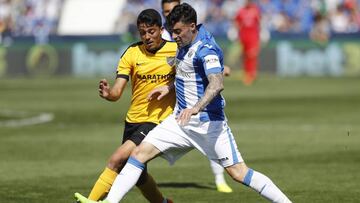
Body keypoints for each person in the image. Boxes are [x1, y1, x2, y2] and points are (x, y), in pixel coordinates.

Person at [75, 3, 292, 203]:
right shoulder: (184, 42)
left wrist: (195, 108)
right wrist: (168, 87)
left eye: (178, 31)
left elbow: (216, 85)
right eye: (173, 31)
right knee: (138, 155)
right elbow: (186, 74)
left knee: (238, 173)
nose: (175, 36)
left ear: (192, 26)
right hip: (179, 122)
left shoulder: (206, 49)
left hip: (209, 125)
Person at [78, 9, 176, 203]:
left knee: (117, 159)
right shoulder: (131, 53)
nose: (147, 37)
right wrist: (109, 94)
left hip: (158, 122)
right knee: (138, 175)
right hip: (133, 121)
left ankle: (91, 201)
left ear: (161, 29)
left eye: (151, 31)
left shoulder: (175, 51)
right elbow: (117, 92)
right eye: (142, 32)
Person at [160, 0, 233, 193]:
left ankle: (219, 179)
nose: (169, 15)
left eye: (172, 10)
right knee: (142, 150)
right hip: (171, 101)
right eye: (166, 11)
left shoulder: (189, 36)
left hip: (195, 106)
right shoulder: (163, 35)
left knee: (212, 143)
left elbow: (201, 62)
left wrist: (216, 69)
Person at [234, 0, 261, 85]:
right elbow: (236, 22)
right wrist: (237, 32)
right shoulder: (241, 11)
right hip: (243, 36)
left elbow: (259, 22)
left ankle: (252, 74)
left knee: (252, 55)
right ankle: (247, 74)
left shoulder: (255, 10)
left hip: (253, 37)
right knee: (245, 56)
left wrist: (260, 34)